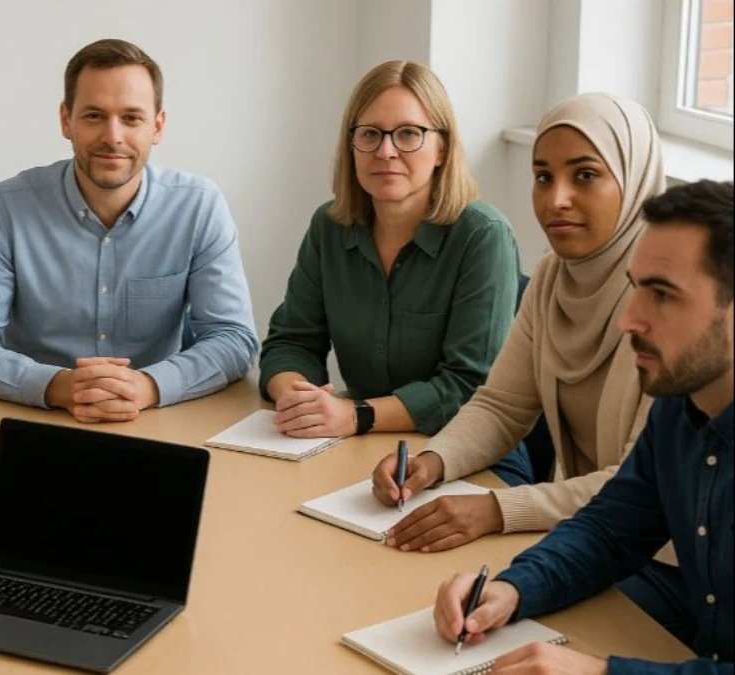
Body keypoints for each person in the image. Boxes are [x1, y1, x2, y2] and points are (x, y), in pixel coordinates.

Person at [432, 179, 732, 674]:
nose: (629, 319)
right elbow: (611, 529)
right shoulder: (678, 407)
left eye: (663, 296)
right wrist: (513, 588)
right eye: (637, 289)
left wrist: (601, 673)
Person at [371, 92, 663, 552]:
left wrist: (496, 510)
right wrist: (433, 461)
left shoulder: (671, 302)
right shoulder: (552, 276)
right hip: (589, 533)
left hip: (665, 558)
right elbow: (502, 406)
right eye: (543, 177)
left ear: (635, 180)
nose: (557, 199)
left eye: (585, 176)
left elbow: (640, 486)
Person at [0, 39, 258, 423]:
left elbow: (233, 339)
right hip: (34, 422)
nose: (112, 136)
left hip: (159, 422)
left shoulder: (199, 206)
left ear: (157, 126)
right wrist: (60, 386)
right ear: (65, 120)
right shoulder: (4, 208)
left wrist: (147, 386)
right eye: (93, 116)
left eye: (131, 117)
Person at [259, 60, 520, 442]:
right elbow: (292, 341)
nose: (385, 151)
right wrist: (298, 398)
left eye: (409, 134)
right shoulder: (329, 227)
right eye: (369, 134)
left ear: (442, 148)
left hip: (463, 448)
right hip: (358, 440)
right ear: (352, 145)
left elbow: (468, 386)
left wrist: (356, 415)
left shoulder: (482, 235)